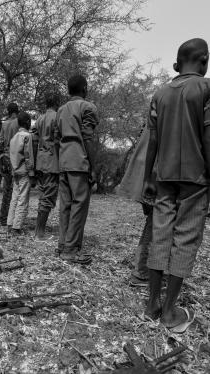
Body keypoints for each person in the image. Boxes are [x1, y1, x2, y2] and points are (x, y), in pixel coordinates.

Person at [143, 38, 210, 333]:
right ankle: (170, 311)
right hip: (196, 178)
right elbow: (208, 138)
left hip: (164, 176)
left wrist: (148, 177)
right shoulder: (206, 88)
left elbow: (153, 140)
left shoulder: (159, 93)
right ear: (204, 59)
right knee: (185, 239)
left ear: (178, 62)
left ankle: (151, 305)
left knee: (160, 236)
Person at [55, 75, 98, 264]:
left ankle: (63, 245)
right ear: (85, 88)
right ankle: (71, 249)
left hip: (63, 162)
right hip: (79, 162)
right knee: (79, 206)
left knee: (65, 206)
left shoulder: (61, 110)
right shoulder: (87, 107)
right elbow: (88, 138)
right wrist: (93, 166)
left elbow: (56, 138)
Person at [118, 125, 154, 287]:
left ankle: (143, 269)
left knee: (154, 221)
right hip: (155, 171)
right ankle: (141, 271)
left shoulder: (160, 102)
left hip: (146, 168)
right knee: (157, 222)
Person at [35, 92, 61, 240]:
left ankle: (38, 231)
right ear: (57, 102)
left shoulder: (39, 118)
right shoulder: (57, 116)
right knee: (48, 196)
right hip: (52, 161)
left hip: (41, 161)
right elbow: (57, 139)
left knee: (43, 194)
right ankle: (40, 233)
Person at [6, 112, 35, 235]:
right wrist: (32, 172)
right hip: (24, 171)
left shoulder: (14, 137)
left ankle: (10, 223)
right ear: (28, 122)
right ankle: (16, 228)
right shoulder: (27, 136)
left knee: (14, 198)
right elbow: (28, 156)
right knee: (23, 199)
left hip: (15, 171)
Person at [0, 103, 20, 226]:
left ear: (8, 112)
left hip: (5, 159)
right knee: (16, 189)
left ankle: (3, 218)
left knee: (7, 189)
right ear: (17, 111)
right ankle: (12, 219)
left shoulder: (4, 124)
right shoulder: (18, 123)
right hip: (16, 158)